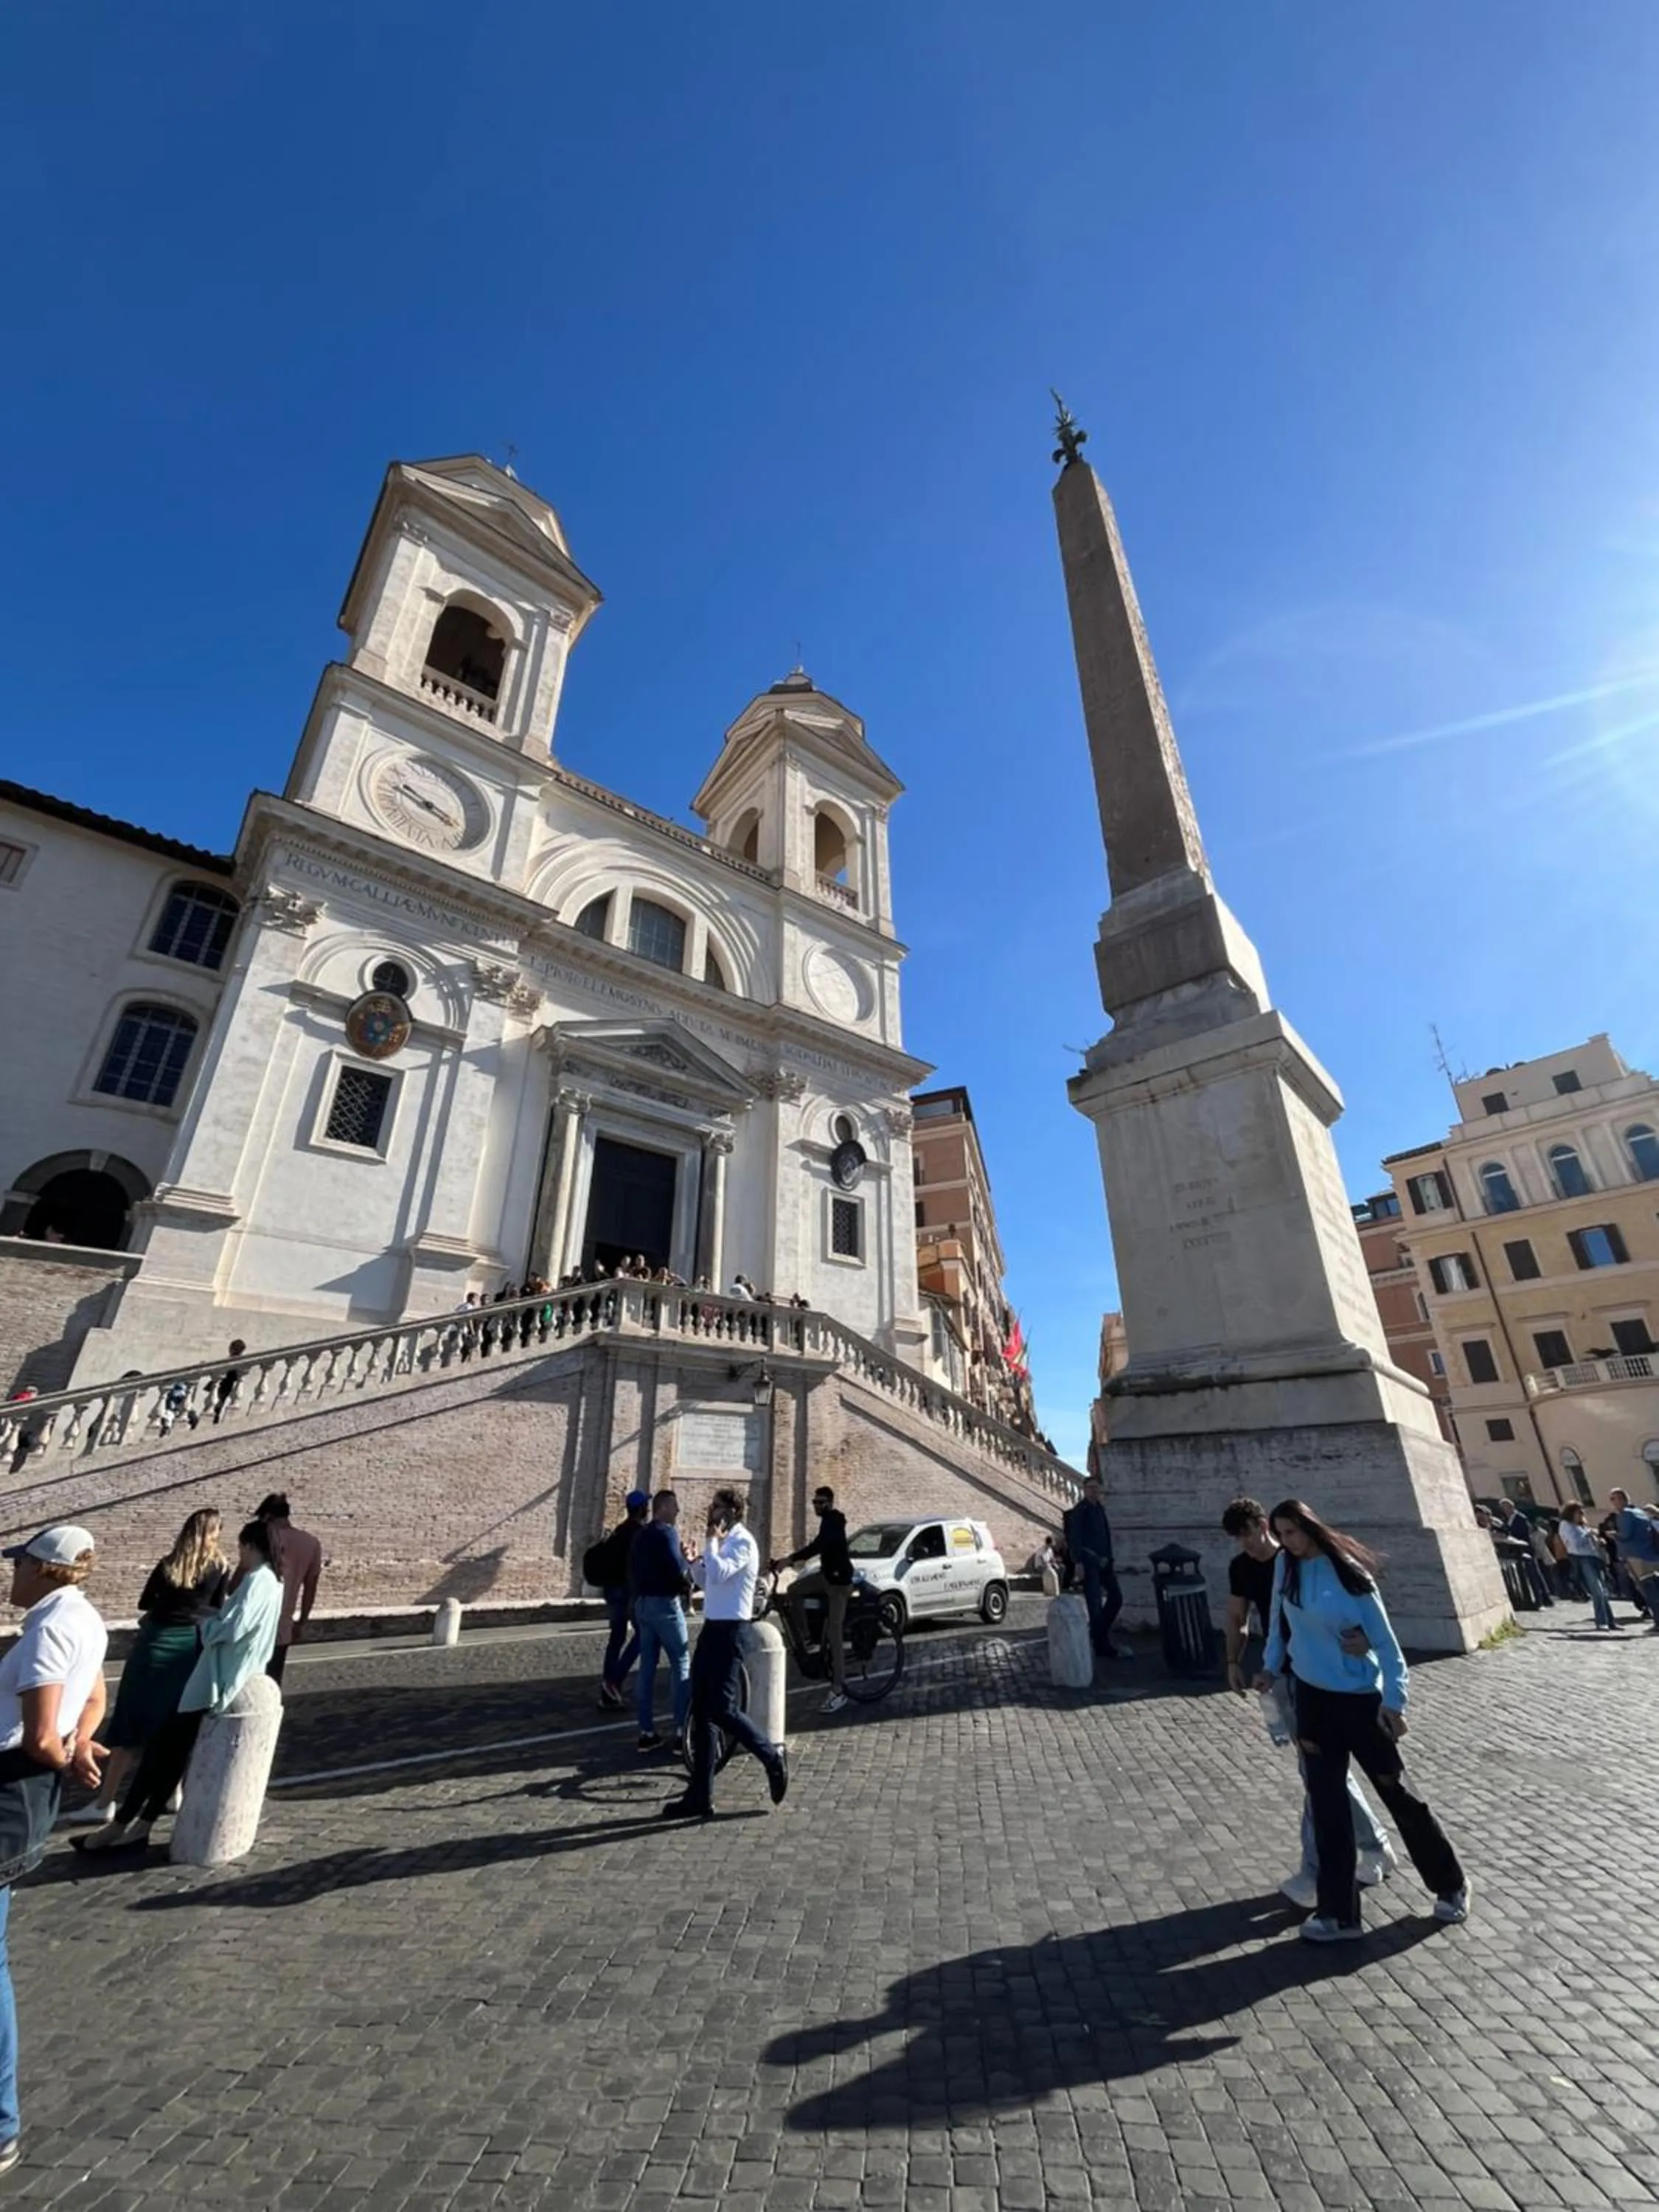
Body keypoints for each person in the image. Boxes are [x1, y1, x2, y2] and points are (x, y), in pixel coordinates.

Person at [1257, 1499, 1470, 1942]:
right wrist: (1271, 1666)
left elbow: (1387, 1643)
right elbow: (1280, 1625)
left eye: (1292, 1532)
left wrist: (1394, 1701)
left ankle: (1450, 1883)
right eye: (1281, 1534)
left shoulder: (1350, 1571)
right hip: (1312, 1699)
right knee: (1328, 1805)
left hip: (1359, 1701)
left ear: (1311, 1527)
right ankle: (1339, 1914)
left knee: (1399, 1794)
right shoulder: (1286, 1568)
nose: (1287, 1543)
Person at [1220, 1498, 1395, 1907]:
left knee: (1319, 1772)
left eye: (1248, 1532)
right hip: (1283, 1671)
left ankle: (1318, 1871)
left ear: (1263, 1524)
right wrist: (1233, 1660)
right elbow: (1237, 1617)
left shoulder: (1302, 1557)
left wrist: (1370, 1641)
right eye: (1237, 1537)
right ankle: (1375, 1847)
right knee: (1320, 1769)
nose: (1245, 1543)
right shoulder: (1242, 1568)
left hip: (1326, 1672)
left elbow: (1365, 1605)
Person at [75, 1520, 282, 1856]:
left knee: (162, 1753)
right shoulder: (268, 1580)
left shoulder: (258, 1580)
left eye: (243, 1546)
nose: (239, 1553)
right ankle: (135, 1825)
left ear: (251, 1545)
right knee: (169, 1754)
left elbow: (232, 1628)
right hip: (220, 1675)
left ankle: (122, 1826)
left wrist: (207, 1626)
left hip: (213, 1679)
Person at [0, 1526, 107, 2171]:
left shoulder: (47, 1629)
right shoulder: (84, 1618)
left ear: (44, 1569)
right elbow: (92, 1696)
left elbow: (40, 1737)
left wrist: (66, 1751)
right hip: (27, 1798)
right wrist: (84, 1742)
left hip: (9, 1792)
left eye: (18, 1564)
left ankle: (2, 2125)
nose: (9, 1574)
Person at [63, 1507, 230, 1828]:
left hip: (155, 1640)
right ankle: (172, 1792)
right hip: (189, 1646)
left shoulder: (168, 1564)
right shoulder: (221, 1566)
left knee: (131, 1720)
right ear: (215, 1533)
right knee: (176, 1721)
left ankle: (105, 1801)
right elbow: (218, 1607)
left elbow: (145, 1603)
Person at [661, 1487, 787, 1821]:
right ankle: (700, 1794)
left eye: (716, 1507)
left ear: (731, 1511)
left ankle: (771, 1756)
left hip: (731, 1632)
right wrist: (692, 1562)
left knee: (723, 1709)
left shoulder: (743, 1542)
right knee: (702, 1711)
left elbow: (719, 1572)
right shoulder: (726, 1542)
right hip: (712, 1629)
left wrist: (710, 1544)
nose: (711, 1512)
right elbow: (707, 1580)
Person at [773, 1485, 855, 1713]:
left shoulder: (835, 1520)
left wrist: (791, 1559)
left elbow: (820, 1546)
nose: (817, 1507)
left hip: (839, 1583)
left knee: (835, 1634)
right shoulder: (826, 1520)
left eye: (821, 1503)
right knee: (793, 1591)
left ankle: (839, 1689)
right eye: (815, 1503)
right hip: (826, 1576)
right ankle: (807, 1637)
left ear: (829, 1502)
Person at [631, 1491, 693, 1753]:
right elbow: (676, 1567)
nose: (678, 1511)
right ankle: (681, 1732)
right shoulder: (667, 1532)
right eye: (676, 1506)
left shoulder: (642, 1534)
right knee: (681, 1661)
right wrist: (688, 1561)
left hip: (643, 1604)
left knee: (647, 1667)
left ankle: (646, 1732)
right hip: (665, 1605)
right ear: (665, 1507)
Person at [255, 1492, 323, 1682]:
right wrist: (302, 1621)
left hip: (256, 1622)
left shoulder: (263, 1539)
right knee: (273, 1680)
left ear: (267, 1517)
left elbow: (236, 1584)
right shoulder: (311, 1543)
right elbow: (310, 1588)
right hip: (283, 1625)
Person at [594, 1492, 649, 1708]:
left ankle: (608, 1691)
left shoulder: (618, 1531)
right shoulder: (641, 1533)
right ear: (642, 1508)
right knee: (644, 1635)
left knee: (616, 1639)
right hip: (629, 1592)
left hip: (612, 1590)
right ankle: (614, 1681)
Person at [1062, 1475, 1126, 1658]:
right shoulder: (1080, 1511)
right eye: (1090, 1488)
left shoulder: (1100, 1509)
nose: (1094, 1491)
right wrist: (1078, 1563)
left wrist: (1110, 1558)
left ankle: (1097, 1633)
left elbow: (1105, 1536)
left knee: (1117, 1598)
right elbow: (1075, 1539)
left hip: (1106, 1563)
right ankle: (1102, 1645)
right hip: (1090, 1564)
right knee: (1095, 1606)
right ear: (1084, 1490)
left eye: (1096, 1488)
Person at [1555, 1502, 1617, 1631]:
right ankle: (1601, 1622)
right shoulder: (1566, 1526)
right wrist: (1588, 1535)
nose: (1582, 1515)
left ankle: (1610, 1621)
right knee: (1597, 1590)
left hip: (1594, 1557)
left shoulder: (1582, 1526)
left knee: (1604, 1591)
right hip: (1582, 1558)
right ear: (1571, 1513)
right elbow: (1574, 1544)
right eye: (1579, 1513)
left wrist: (1598, 1541)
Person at [1608, 1490, 1659, 1630]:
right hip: (1651, 1555)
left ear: (1622, 1500)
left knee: (1648, 1590)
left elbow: (1625, 1535)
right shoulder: (1640, 1513)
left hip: (1636, 1557)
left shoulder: (1625, 1515)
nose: (1612, 1502)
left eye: (1613, 1499)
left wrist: (1614, 1535)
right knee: (1655, 1587)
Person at [212, 1340, 248, 1424]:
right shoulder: (236, 1360)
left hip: (225, 1385)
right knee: (217, 1405)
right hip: (226, 1385)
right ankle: (215, 1420)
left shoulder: (234, 1361)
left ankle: (215, 1421)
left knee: (217, 1405)